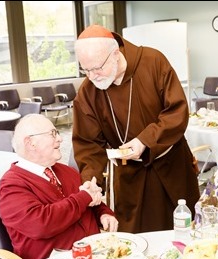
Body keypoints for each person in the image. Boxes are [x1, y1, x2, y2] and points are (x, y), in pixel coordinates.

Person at [73, 24, 200, 233]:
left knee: (183, 231)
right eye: (85, 70)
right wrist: (91, 181)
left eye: (97, 68)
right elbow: (88, 144)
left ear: (115, 54)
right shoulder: (88, 92)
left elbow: (177, 111)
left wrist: (144, 141)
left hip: (170, 165)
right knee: (137, 241)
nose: (93, 76)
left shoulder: (152, 62)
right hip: (129, 176)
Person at [0, 114, 118, 259]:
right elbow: (40, 224)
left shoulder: (66, 171)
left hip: (94, 256)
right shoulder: (11, 185)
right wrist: (84, 197)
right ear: (30, 143)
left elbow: (89, 203)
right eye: (53, 134)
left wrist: (103, 212)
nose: (60, 139)